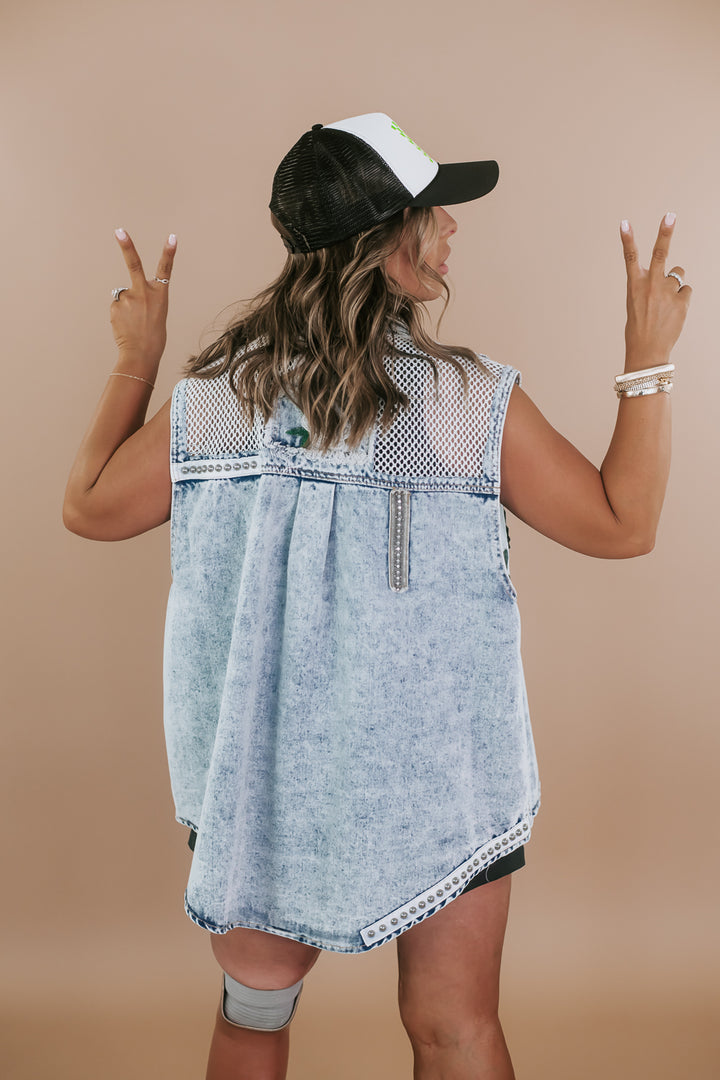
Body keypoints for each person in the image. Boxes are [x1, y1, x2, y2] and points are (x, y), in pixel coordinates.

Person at [63, 112, 691, 1080]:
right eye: (436, 212)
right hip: (443, 788)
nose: (453, 228)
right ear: (387, 241)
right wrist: (648, 358)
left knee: (254, 1015)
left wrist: (137, 358)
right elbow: (623, 522)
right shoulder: (466, 403)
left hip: (263, 780)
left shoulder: (217, 400)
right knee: (455, 1028)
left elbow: (90, 506)